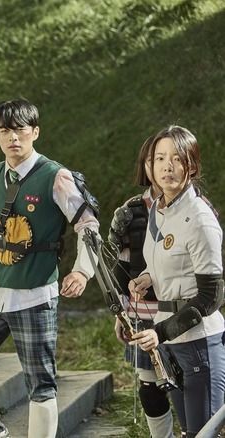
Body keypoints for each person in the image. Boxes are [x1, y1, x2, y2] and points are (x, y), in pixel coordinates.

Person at [0, 98, 99, 437]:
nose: (13, 137)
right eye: (5, 131)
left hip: (35, 295)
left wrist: (81, 271)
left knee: (41, 387)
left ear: (35, 132)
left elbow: (88, 226)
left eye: (20, 130)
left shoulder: (56, 177)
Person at [129, 125, 225, 438]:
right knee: (189, 433)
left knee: (202, 434)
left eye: (177, 159)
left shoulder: (199, 218)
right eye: (160, 158)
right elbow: (165, 264)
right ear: (151, 166)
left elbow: (211, 297)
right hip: (171, 342)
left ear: (192, 166)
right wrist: (146, 278)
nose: (167, 166)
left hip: (199, 344)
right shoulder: (159, 209)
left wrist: (160, 332)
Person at [108, 135, 173, 437]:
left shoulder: (196, 207)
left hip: (181, 310)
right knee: (150, 385)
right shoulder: (131, 210)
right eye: (154, 160)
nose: (161, 166)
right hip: (141, 311)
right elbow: (119, 267)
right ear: (145, 166)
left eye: (169, 158)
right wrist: (121, 313)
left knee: (189, 384)